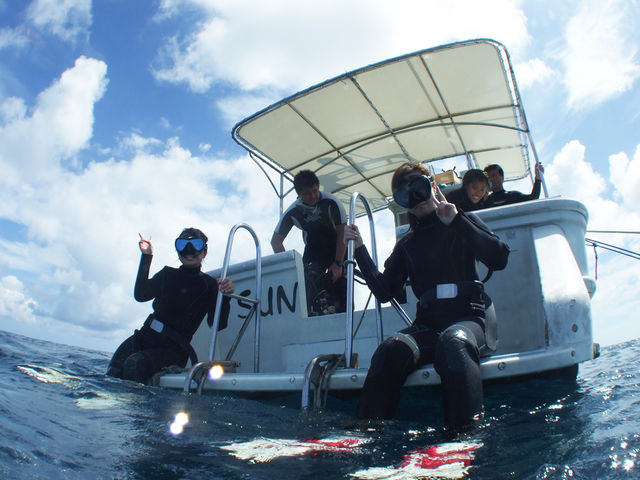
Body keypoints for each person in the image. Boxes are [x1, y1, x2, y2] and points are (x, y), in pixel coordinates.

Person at [344, 162, 510, 430]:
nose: (416, 199)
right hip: (430, 327)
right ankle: (366, 431)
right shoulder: (408, 243)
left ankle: (465, 435)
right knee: (390, 349)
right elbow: (384, 291)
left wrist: (456, 221)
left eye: (419, 188)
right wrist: (360, 250)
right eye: (405, 195)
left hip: (471, 319)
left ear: (432, 186)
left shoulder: (460, 219)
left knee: (452, 342)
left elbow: (499, 257)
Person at [106, 228, 234, 384]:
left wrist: (225, 297)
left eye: (195, 245)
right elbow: (141, 295)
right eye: (182, 245)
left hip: (173, 350)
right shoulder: (166, 274)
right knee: (114, 368)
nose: (189, 251)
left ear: (204, 252)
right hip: (145, 337)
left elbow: (217, 324)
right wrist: (147, 256)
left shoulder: (210, 285)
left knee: (134, 364)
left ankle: (135, 405)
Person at [271, 170, 347, 316]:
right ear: (299, 194)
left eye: (315, 191)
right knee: (307, 282)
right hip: (314, 246)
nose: (312, 196)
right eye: (307, 193)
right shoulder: (294, 211)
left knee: (340, 282)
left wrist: (338, 263)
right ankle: (314, 312)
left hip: (337, 243)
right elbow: (276, 242)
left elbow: (342, 233)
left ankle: (340, 311)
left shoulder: (331, 202)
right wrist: (292, 271)